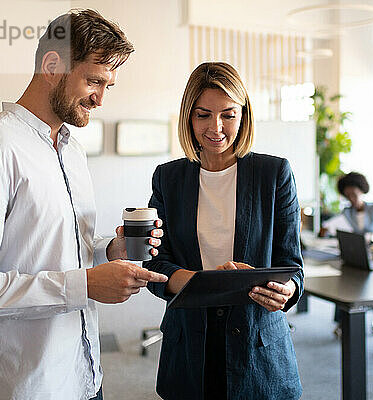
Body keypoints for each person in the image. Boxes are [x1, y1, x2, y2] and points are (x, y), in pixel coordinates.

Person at [0, 10, 168, 400]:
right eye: (94, 81)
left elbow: (47, 247)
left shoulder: (70, 150)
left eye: (109, 85)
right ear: (52, 65)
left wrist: (108, 250)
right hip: (26, 384)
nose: (101, 98)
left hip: (84, 373)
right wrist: (86, 284)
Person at [143, 62, 304, 400]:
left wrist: (285, 289)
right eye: (203, 115)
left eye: (228, 115)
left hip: (256, 341)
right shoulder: (168, 178)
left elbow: (292, 265)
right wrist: (199, 283)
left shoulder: (273, 174)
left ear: (243, 116)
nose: (215, 127)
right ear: (189, 117)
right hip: (189, 337)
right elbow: (155, 262)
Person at [331, 172, 373, 335]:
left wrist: (372, 238)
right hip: (357, 256)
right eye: (348, 195)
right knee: (344, 279)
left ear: (362, 190)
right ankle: (344, 321)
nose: (351, 198)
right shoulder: (347, 212)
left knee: (369, 286)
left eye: (354, 193)